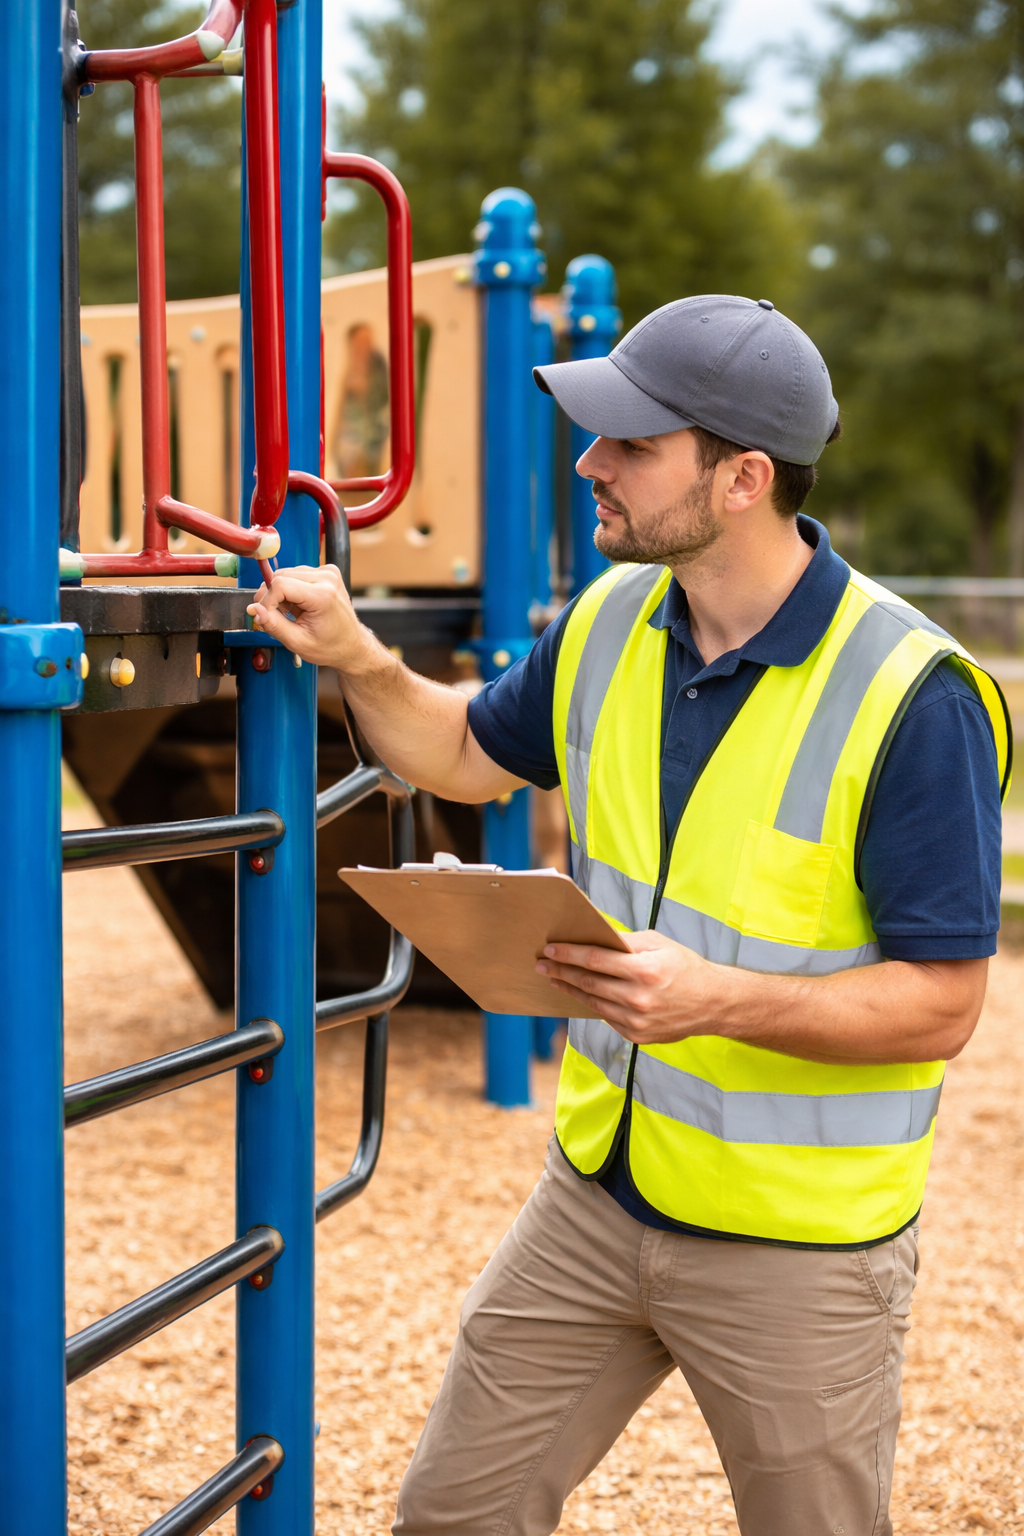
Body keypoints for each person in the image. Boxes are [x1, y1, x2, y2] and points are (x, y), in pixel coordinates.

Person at [247, 295, 1007, 1536]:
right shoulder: (608, 621)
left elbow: (943, 1005)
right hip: (594, 1200)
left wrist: (717, 1000)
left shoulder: (913, 695)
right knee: (451, 1515)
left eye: (630, 443)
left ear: (742, 479)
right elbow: (465, 753)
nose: (588, 462)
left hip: (797, 1246)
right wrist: (359, 655)